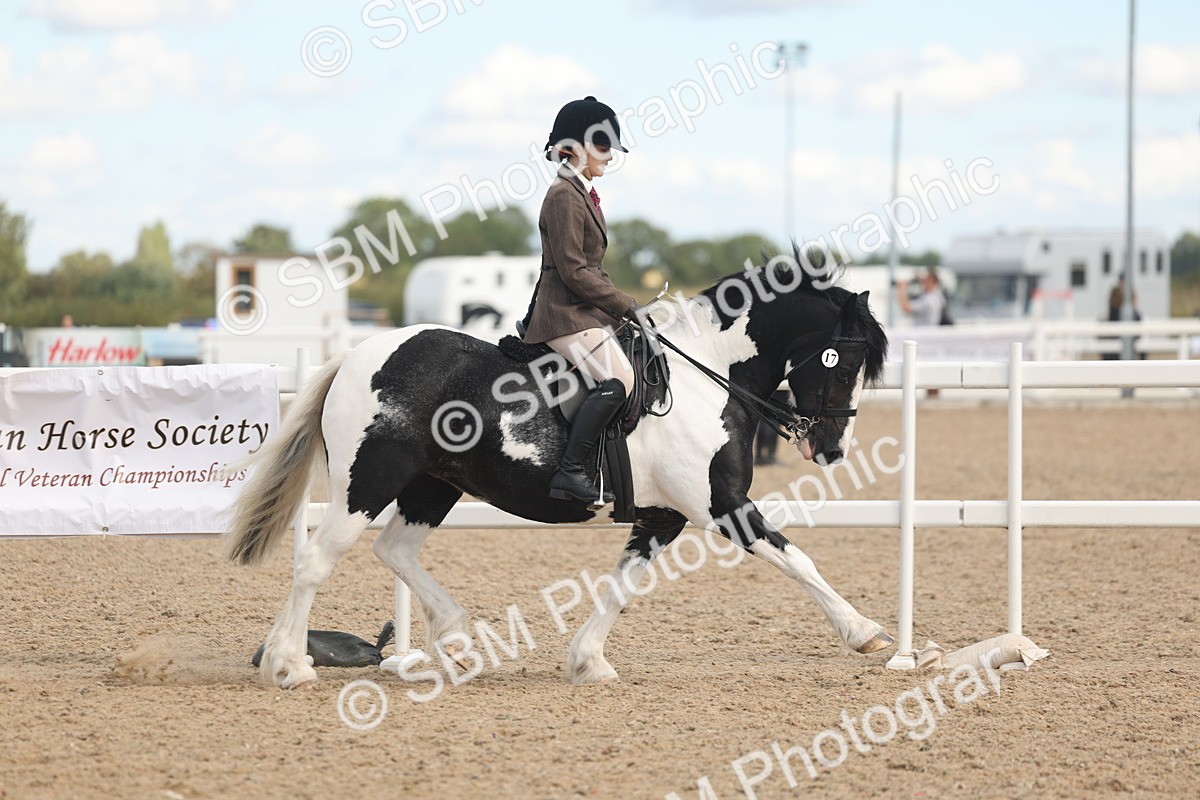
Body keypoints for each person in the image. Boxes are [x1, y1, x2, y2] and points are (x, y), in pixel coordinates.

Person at [520, 96, 638, 503]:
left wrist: (625, 311)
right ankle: (570, 471)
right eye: (603, 147)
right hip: (562, 313)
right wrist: (625, 304)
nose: (609, 157)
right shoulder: (564, 196)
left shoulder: (580, 192)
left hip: (581, 309)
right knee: (619, 379)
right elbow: (574, 271)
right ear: (577, 146)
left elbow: (593, 269)